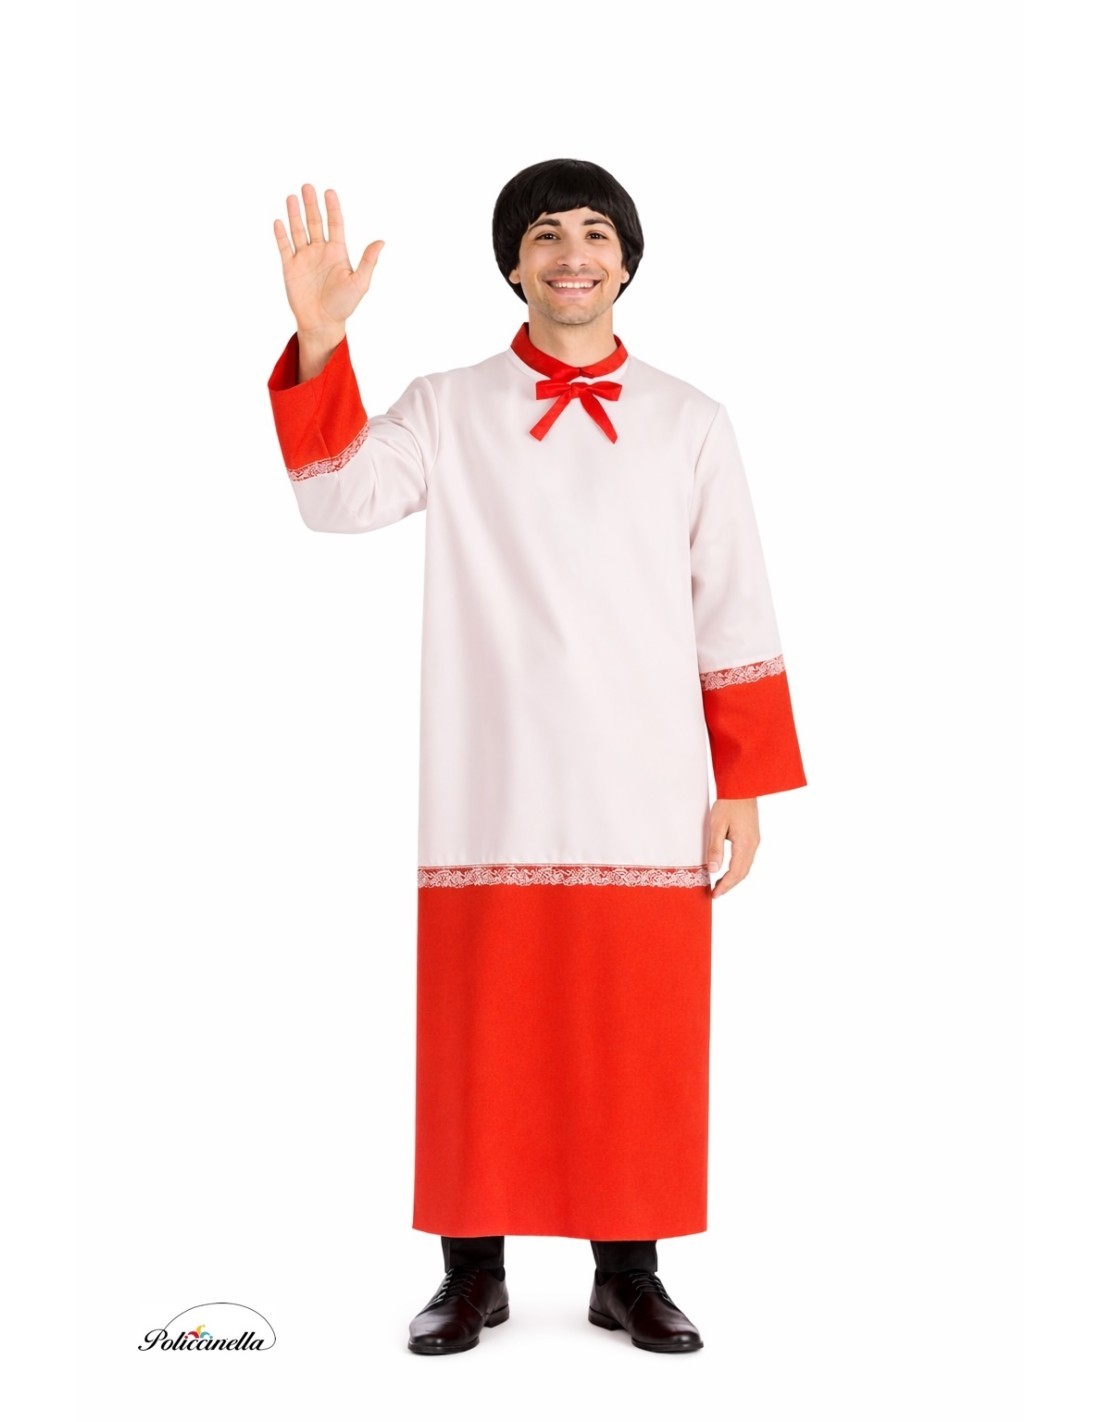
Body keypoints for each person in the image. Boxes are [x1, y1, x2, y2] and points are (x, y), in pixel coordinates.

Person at [266, 159, 807, 1356]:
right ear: (512, 264)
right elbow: (335, 500)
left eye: (596, 233)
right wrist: (319, 344)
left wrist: (742, 783)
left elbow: (733, 604)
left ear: (626, 260)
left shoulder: (689, 420)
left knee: (634, 1029)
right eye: (546, 234)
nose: (573, 254)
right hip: (490, 781)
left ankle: (628, 1272)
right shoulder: (448, 406)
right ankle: (472, 1275)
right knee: (484, 1029)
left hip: (643, 788)